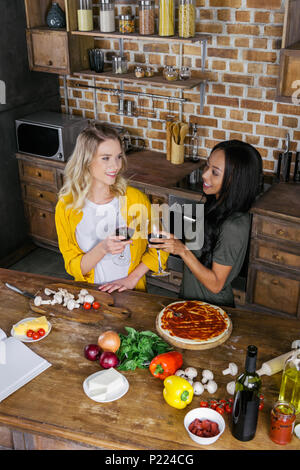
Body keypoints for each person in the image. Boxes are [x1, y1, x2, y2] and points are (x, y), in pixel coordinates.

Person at [55, 122, 168, 293]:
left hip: (133, 294)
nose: (116, 166)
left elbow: (161, 246)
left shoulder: (135, 199)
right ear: (86, 160)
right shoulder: (67, 207)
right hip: (90, 296)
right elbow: (72, 266)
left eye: (119, 156)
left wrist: (132, 279)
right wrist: (103, 248)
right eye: (106, 158)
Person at [149, 140, 263, 307]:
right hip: (189, 301)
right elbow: (200, 247)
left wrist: (181, 250)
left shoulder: (234, 225)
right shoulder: (214, 204)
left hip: (211, 309)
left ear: (235, 180)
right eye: (207, 166)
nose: (204, 174)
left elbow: (216, 285)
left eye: (215, 172)